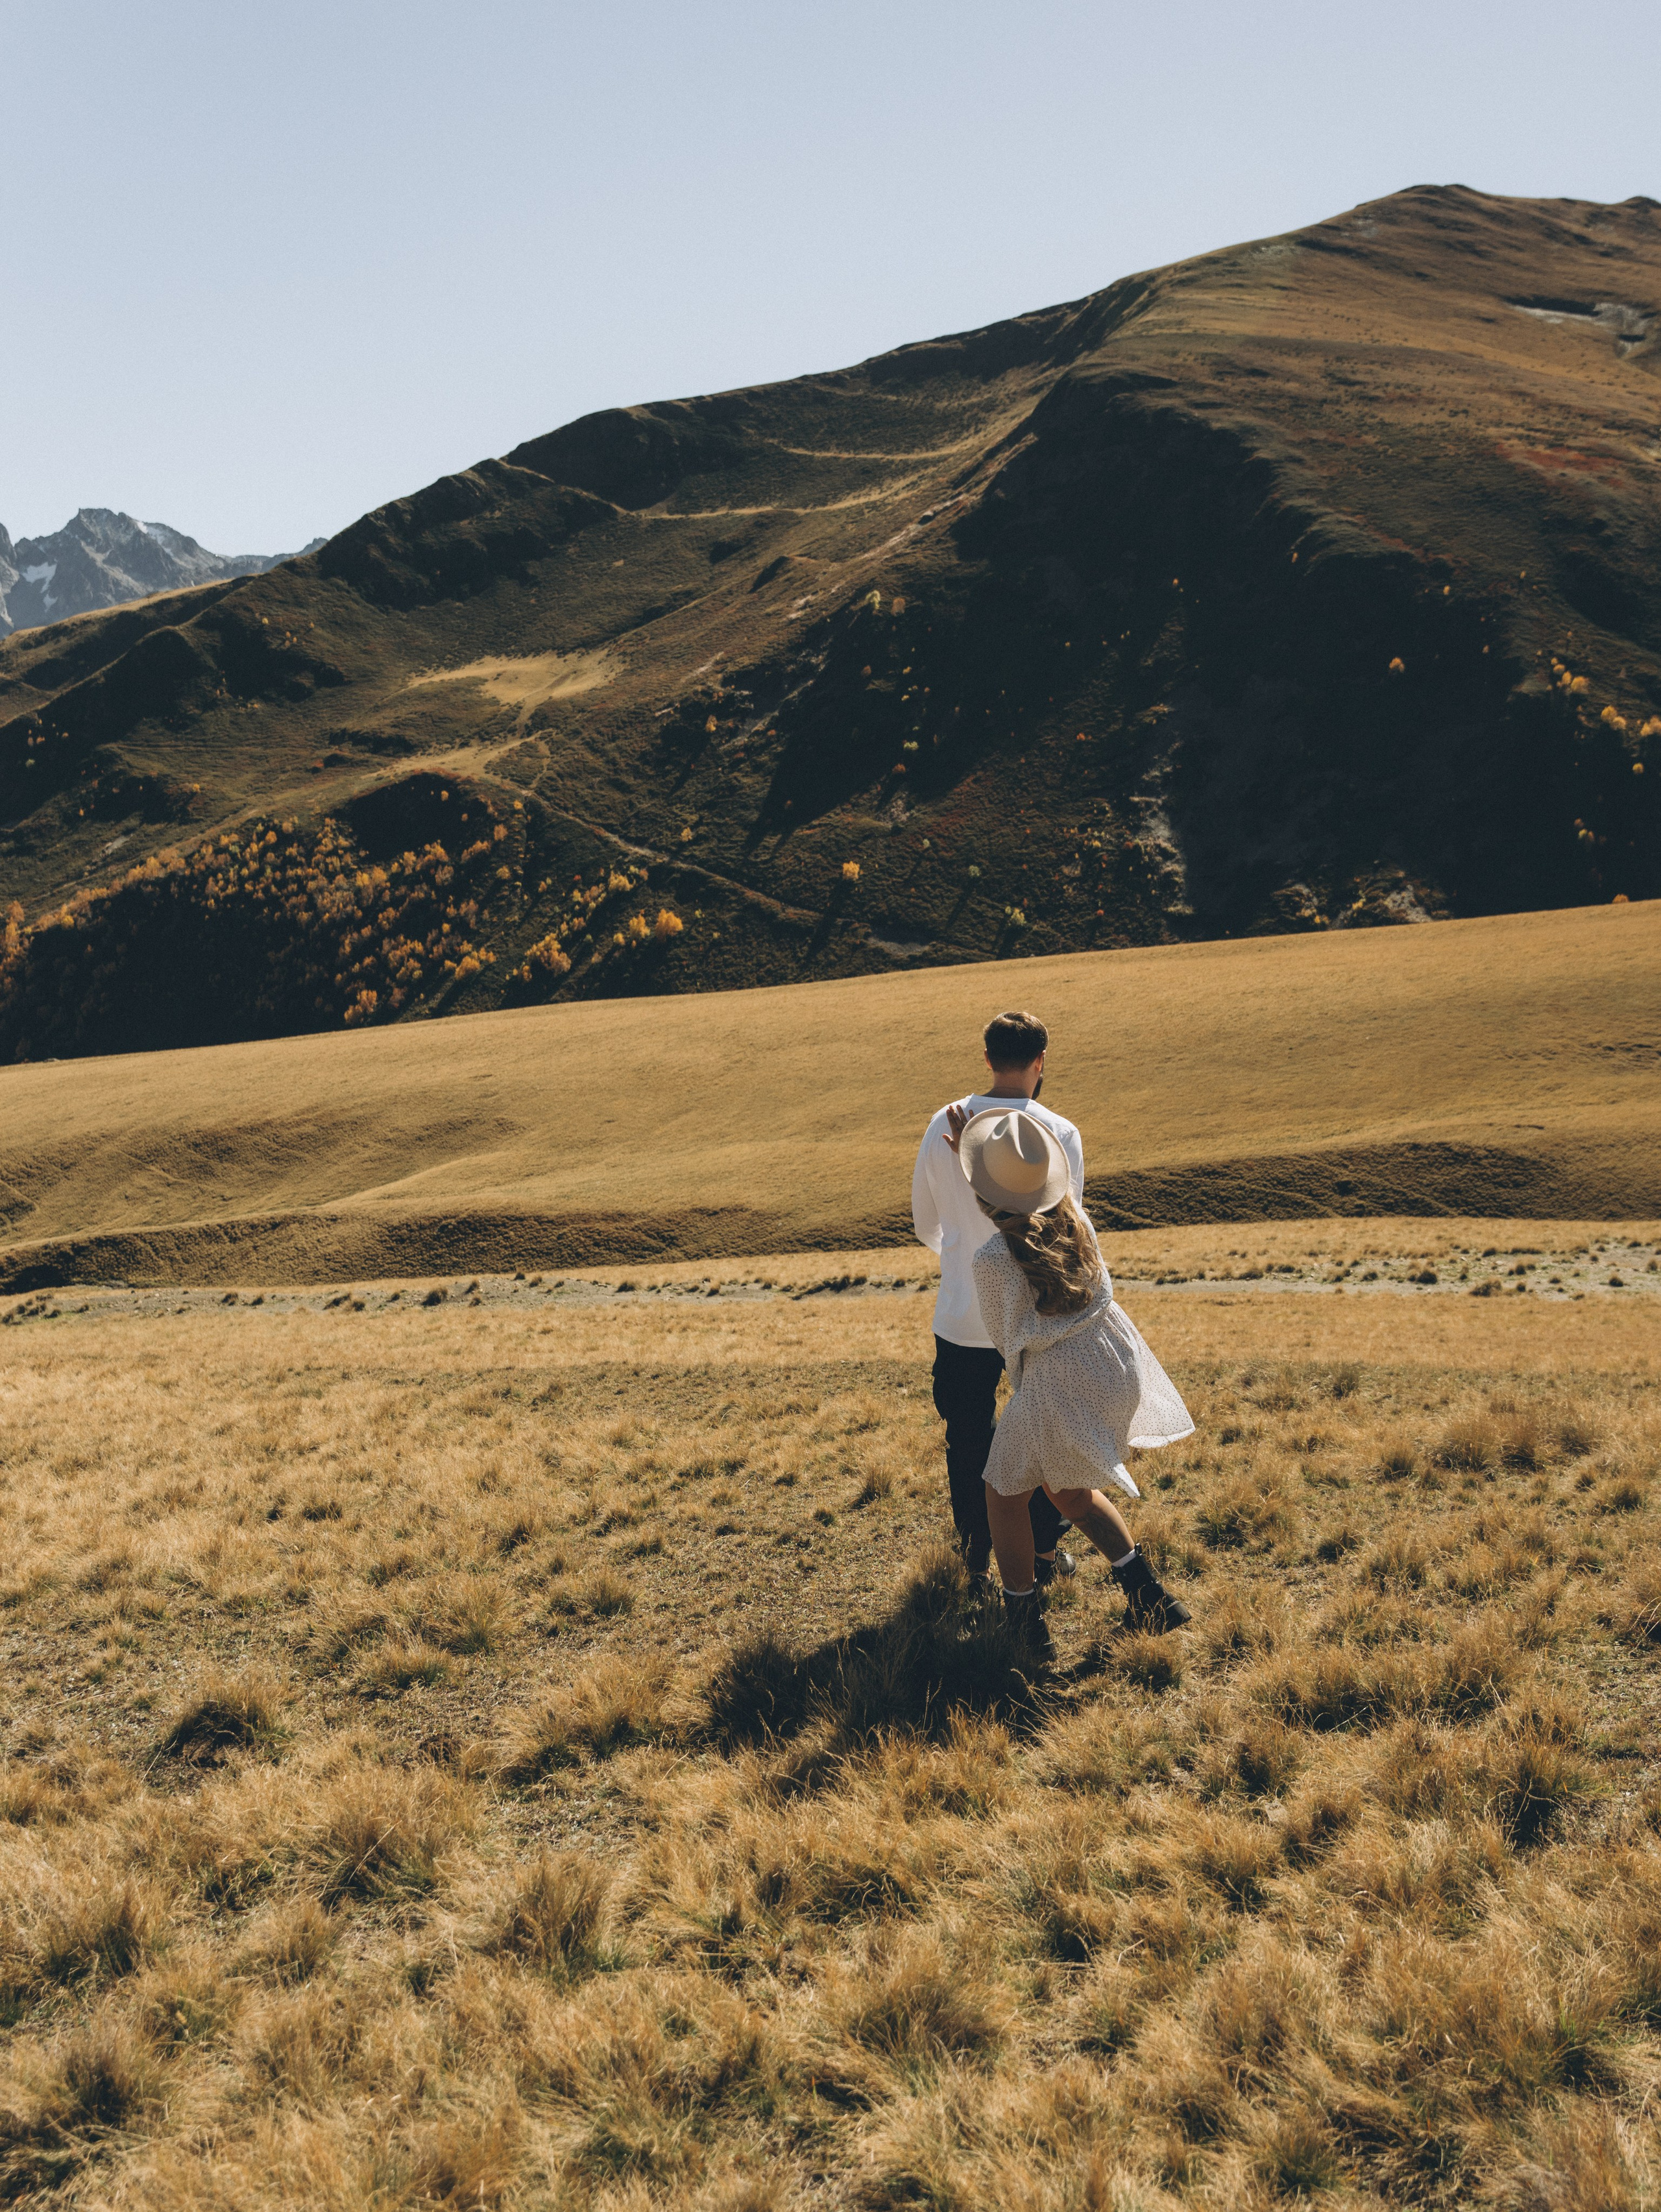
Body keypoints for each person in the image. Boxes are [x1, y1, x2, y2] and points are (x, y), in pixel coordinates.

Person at [958, 1101, 1195, 1653]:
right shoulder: (1076, 1218)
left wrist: (1038, 1399)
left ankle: (1024, 1621)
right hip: (1115, 1358)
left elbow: (1009, 1345)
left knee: (1002, 1491)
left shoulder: (992, 1259)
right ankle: (1149, 1595)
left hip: (1059, 1378)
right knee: (1068, 1492)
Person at [912, 1009, 1080, 1585]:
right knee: (1046, 1434)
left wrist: (962, 1257)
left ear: (986, 1058)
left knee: (967, 1435)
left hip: (962, 1312)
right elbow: (1067, 1225)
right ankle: (1038, 1550)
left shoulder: (945, 1122)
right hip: (1036, 1315)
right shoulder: (1060, 1132)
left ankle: (976, 1552)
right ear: (1041, 1062)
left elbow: (924, 1223)